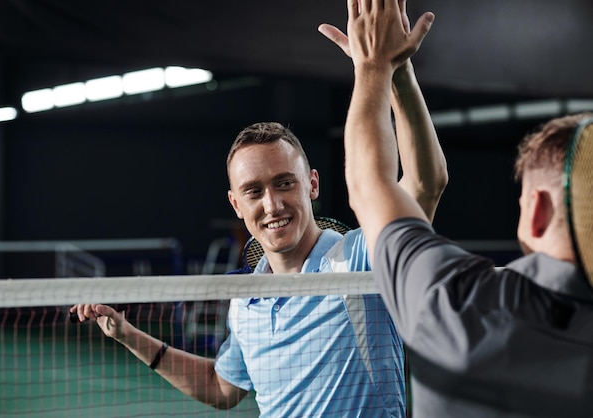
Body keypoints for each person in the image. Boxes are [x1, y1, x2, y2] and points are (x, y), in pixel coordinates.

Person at [70, 12, 448, 416]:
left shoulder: (359, 260)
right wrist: (125, 333)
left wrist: (395, 68)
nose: (272, 205)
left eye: (285, 183)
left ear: (312, 185)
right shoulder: (245, 300)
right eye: (254, 191)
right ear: (237, 204)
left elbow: (426, 184)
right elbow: (221, 388)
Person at [338, 0, 593, 417]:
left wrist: (374, 66)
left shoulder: (457, 303)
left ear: (538, 210)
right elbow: (393, 184)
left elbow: (372, 183)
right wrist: (393, 70)